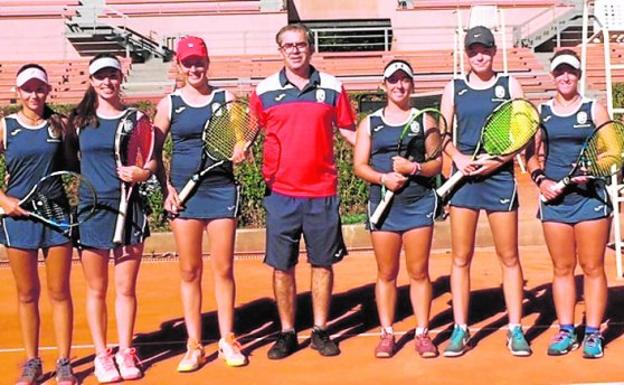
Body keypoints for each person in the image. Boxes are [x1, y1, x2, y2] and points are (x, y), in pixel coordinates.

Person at [249, 23, 356, 359]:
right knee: (283, 267)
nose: (295, 50)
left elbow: (351, 133)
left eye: (301, 44)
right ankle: (286, 332)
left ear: (311, 48)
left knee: (322, 264)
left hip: (322, 191)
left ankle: (321, 330)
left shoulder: (333, 87)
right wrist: (237, 149)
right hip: (280, 194)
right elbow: (249, 133)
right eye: (288, 45)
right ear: (279, 50)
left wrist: (380, 151)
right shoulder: (264, 90)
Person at [153, 35, 247, 372]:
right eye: (187, 62)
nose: (194, 67)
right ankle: (194, 344)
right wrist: (166, 188)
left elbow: (242, 137)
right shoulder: (169, 104)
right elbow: (153, 153)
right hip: (184, 196)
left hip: (221, 190)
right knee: (190, 271)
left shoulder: (226, 98)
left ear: (208, 63)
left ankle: (227, 338)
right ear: (179, 66)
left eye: (199, 61)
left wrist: (241, 148)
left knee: (223, 269)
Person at [438, 25, 531, 357]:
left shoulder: (510, 85)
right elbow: (441, 134)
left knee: (509, 257)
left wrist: (499, 161)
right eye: (474, 50)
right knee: (461, 258)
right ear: (466, 54)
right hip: (464, 180)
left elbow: (523, 132)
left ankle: (516, 329)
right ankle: (460, 329)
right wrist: (459, 158)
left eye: (485, 49)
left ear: (493, 52)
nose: (480, 55)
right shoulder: (455, 88)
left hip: (499, 178)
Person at [66, 53, 155, 383]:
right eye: (100, 76)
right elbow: (69, 161)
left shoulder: (136, 119)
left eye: (112, 76)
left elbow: (152, 162)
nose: (107, 82)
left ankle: (125, 350)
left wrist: (140, 173)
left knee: (125, 288)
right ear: (91, 81)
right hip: (92, 212)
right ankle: (102, 355)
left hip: (128, 211)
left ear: (121, 79)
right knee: (96, 289)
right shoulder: (78, 122)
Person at [353, 60, 442, 358]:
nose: (399, 85)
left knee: (418, 272)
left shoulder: (425, 120)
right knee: (386, 272)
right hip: (383, 206)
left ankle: (422, 333)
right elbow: (359, 165)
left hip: (418, 205)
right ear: (384, 86)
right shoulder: (370, 123)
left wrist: (413, 167)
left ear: (412, 85)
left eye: (405, 80)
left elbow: (436, 164)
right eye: (393, 80)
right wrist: (384, 178)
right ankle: (387, 333)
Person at [526, 49, 610, 359]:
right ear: (553, 75)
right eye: (560, 71)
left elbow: (613, 151)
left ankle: (592, 334)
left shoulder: (594, 109)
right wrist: (541, 181)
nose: (565, 77)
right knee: (562, 268)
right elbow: (531, 155)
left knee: (592, 267)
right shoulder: (542, 112)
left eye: (571, 72)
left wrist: (595, 169)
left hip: (590, 200)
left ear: (579, 75)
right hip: (555, 201)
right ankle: (565, 330)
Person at [1, 64, 78, 385]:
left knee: (60, 292)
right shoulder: (5, 126)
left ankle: (64, 362)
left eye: (39, 88)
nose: (34, 94)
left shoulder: (59, 124)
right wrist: (4, 201)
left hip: (56, 216)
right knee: (27, 293)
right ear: (17, 93)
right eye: (27, 89)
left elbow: (74, 167)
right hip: (18, 219)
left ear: (48, 91)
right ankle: (32, 362)